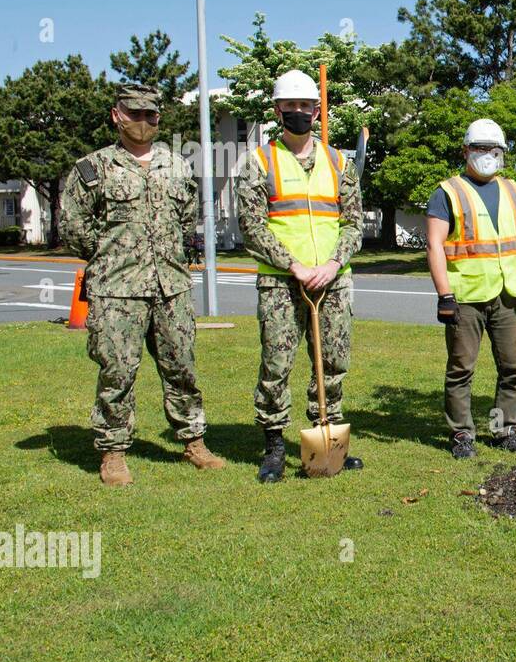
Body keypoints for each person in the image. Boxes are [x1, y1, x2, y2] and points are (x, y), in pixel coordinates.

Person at [58, 84, 225, 485]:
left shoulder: (177, 166)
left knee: (182, 368)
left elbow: (187, 219)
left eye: (152, 115)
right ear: (117, 116)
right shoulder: (93, 169)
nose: (144, 122)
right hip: (117, 290)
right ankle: (113, 452)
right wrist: (110, 254)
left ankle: (193, 441)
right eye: (135, 114)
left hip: (171, 286)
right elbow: (72, 225)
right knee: (117, 372)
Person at [235, 69, 364, 483]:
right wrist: (294, 265)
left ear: (316, 110)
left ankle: (330, 441)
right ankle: (274, 445)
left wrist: (329, 266)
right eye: (289, 106)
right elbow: (251, 225)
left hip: (333, 280)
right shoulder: (259, 162)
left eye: (305, 106)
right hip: (280, 281)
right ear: (277, 110)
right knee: (277, 362)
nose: (298, 113)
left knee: (333, 362)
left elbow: (354, 222)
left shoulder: (338, 161)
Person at [425, 119, 516, 459]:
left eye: (493, 150)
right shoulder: (447, 192)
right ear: (466, 150)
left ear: (502, 153)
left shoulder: (513, 190)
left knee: (512, 367)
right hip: (466, 298)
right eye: (479, 148)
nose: (486, 155)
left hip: (507, 294)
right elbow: (434, 245)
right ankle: (463, 434)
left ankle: (502, 429)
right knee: (461, 369)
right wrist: (444, 295)